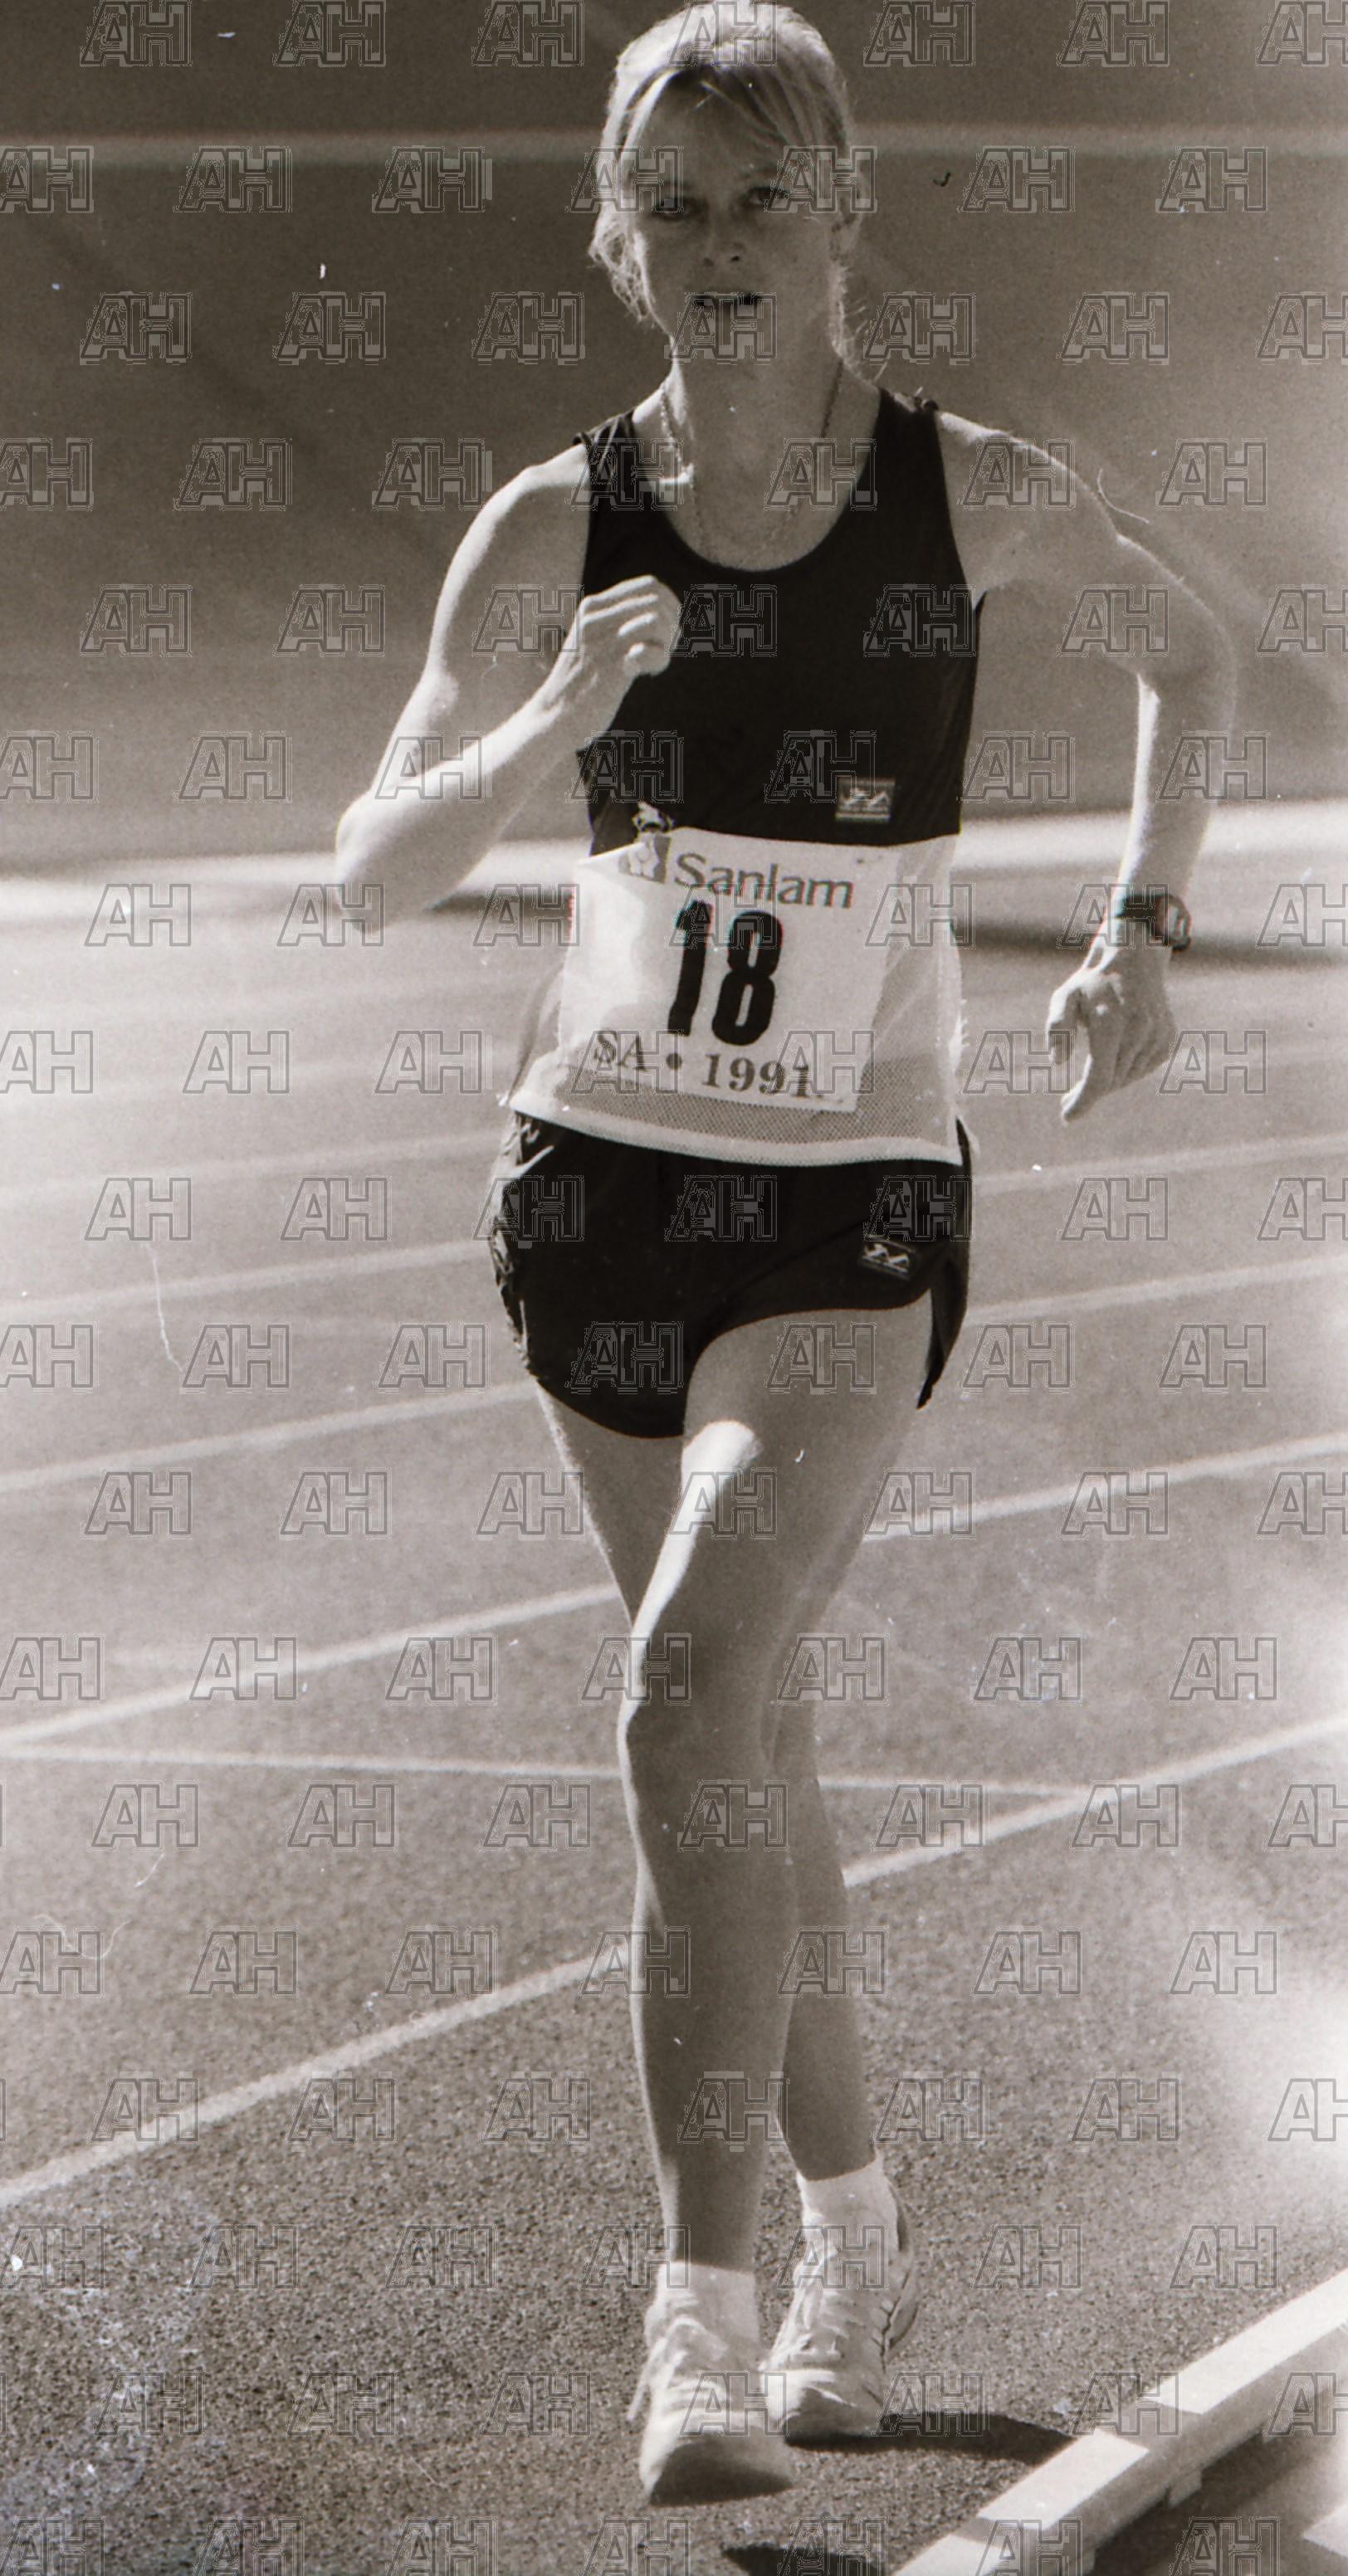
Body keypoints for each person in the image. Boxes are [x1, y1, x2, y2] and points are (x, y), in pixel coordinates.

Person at [333, 0, 1234, 2509]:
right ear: (619, 238)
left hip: (847, 1206)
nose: (720, 245)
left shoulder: (971, 497)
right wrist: (546, 732)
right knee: (744, 1749)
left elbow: (1194, 653)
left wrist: (1144, 929)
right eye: (675, 205)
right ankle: (860, 2239)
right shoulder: (551, 526)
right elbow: (373, 868)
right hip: (594, 1191)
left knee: (683, 1693)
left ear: (841, 209)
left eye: (761, 196)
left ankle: (699, 2329)